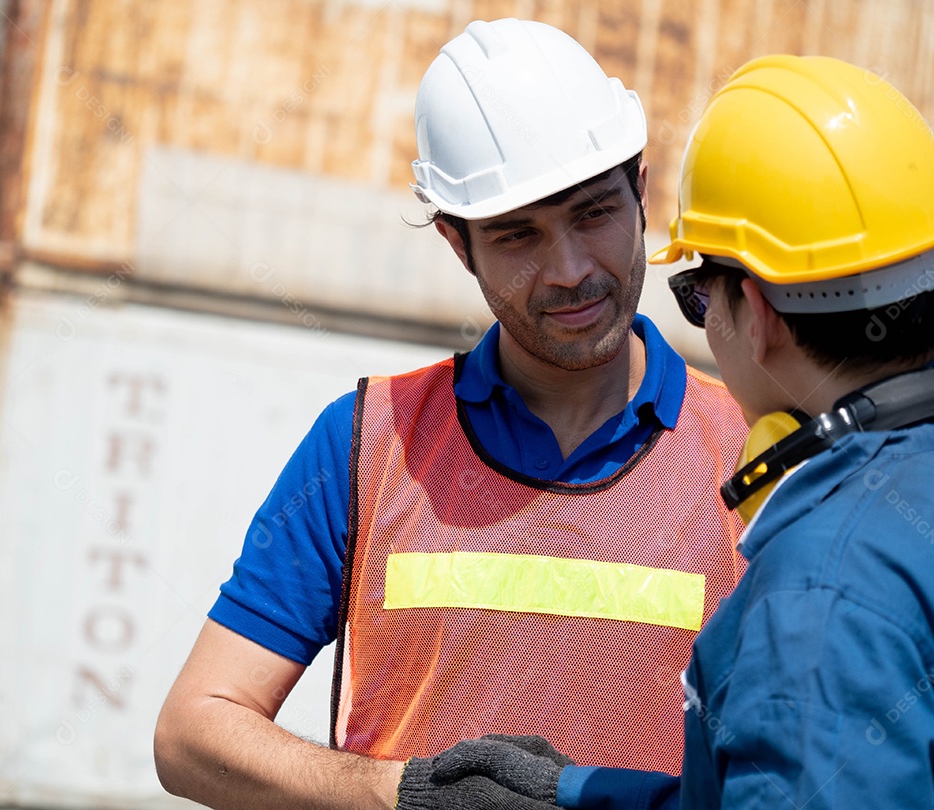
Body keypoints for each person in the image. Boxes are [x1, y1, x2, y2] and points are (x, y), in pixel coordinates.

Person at [153, 18, 748, 810]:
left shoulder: (753, 452)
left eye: (593, 213)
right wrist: (405, 795)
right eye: (518, 235)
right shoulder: (367, 443)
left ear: (642, 190)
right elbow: (192, 733)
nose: (570, 269)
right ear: (456, 242)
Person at [431, 53, 934, 809]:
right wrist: (580, 796)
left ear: (756, 314)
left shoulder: (820, 587)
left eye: (698, 294)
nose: (569, 271)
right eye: (517, 235)